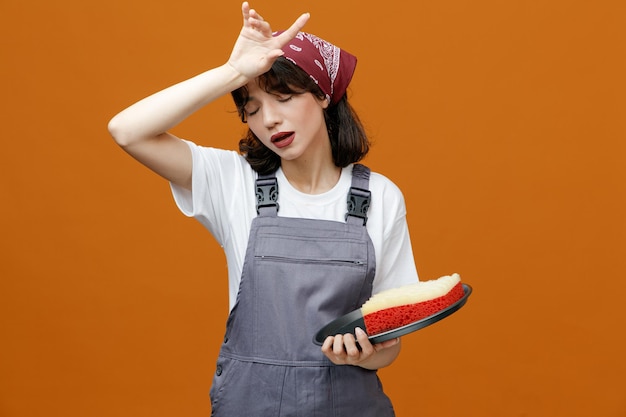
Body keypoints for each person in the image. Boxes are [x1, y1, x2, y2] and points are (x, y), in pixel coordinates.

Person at [108, 2, 419, 415]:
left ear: (324, 94)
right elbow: (127, 131)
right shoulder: (234, 182)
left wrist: (364, 355)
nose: (269, 119)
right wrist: (234, 72)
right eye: (251, 109)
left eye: (284, 97)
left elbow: (390, 343)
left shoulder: (380, 197)